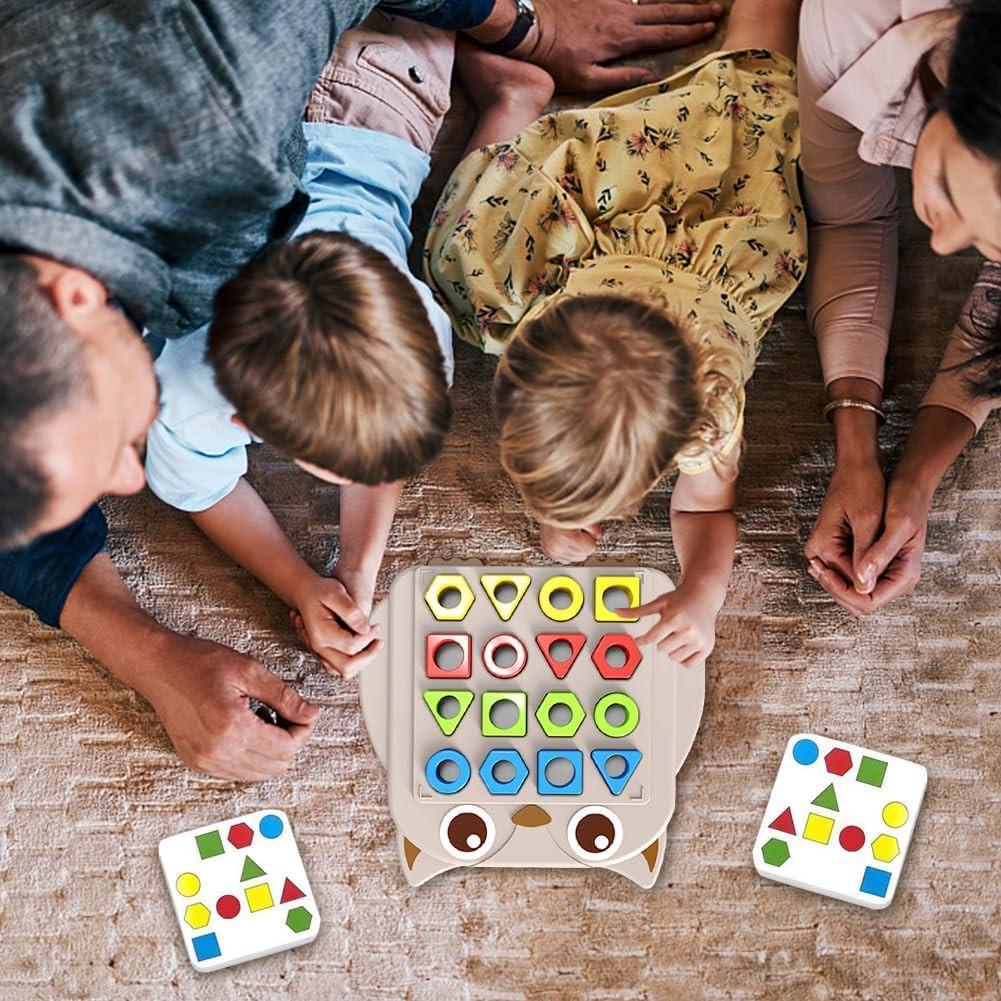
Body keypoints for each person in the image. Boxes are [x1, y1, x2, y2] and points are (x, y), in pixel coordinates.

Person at [0, 0, 726, 781]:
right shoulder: (208, 342)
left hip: (333, 84)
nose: (131, 480)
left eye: (106, 450)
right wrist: (153, 652)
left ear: (67, 295)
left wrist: (523, 23)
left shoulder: (218, 96)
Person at [426, 0, 805, 666]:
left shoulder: (710, 412)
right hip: (615, 197)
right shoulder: (533, 294)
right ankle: (513, 99)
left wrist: (702, 592)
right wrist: (555, 506)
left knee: (756, 85)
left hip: (698, 222)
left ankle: (518, 96)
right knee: (462, 257)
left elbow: (704, 513)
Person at [146, 14, 459, 680]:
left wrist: (356, 565)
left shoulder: (422, 338)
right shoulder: (184, 386)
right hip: (364, 90)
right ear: (244, 420)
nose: (371, 481)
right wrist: (297, 581)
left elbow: (381, 440)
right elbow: (200, 491)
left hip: (356, 97)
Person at [799, 0, 1001, 615]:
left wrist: (913, 482)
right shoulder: (852, 21)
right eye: (943, 183)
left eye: (990, 244)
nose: (940, 246)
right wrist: (853, 442)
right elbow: (850, 218)